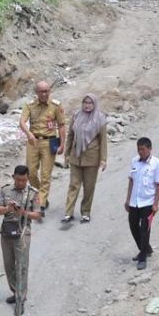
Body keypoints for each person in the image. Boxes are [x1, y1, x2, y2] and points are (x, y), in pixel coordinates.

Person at [0, 165, 43, 313]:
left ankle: (21, 298)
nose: (21, 183)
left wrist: (23, 212)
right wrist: (7, 209)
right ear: (13, 177)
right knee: (9, 266)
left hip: (22, 233)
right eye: (18, 180)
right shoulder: (6, 191)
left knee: (21, 266)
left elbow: (38, 215)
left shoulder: (32, 193)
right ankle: (15, 291)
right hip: (7, 232)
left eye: (24, 180)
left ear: (27, 179)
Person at [18, 80, 67, 213]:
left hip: (49, 142)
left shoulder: (56, 105)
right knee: (31, 172)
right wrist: (29, 134)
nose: (44, 94)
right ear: (36, 92)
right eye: (41, 92)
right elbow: (22, 122)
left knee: (46, 174)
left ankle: (40, 202)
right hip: (33, 141)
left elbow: (62, 125)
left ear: (49, 91)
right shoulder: (30, 105)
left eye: (47, 91)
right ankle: (40, 196)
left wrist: (62, 144)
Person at [62, 94, 108, 224]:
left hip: (92, 158)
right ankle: (68, 213)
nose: (87, 105)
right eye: (85, 102)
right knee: (73, 185)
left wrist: (103, 159)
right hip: (75, 156)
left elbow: (103, 140)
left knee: (89, 187)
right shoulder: (76, 116)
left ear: (94, 104)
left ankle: (85, 212)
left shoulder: (100, 118)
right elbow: (71, 135)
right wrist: (66, 154)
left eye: (90, 103)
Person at [124, 137, 159, 271]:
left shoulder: (157, 164)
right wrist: (128, 199)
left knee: (144, 229)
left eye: (143, 149)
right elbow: (131, 180)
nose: (140, 152)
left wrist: (156, 204)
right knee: (133, 226)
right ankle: (146, 249)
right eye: (138, 149)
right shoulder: (135, 161)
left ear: (149, 149)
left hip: (148, 202)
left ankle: (142, 257)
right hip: (134, 202)